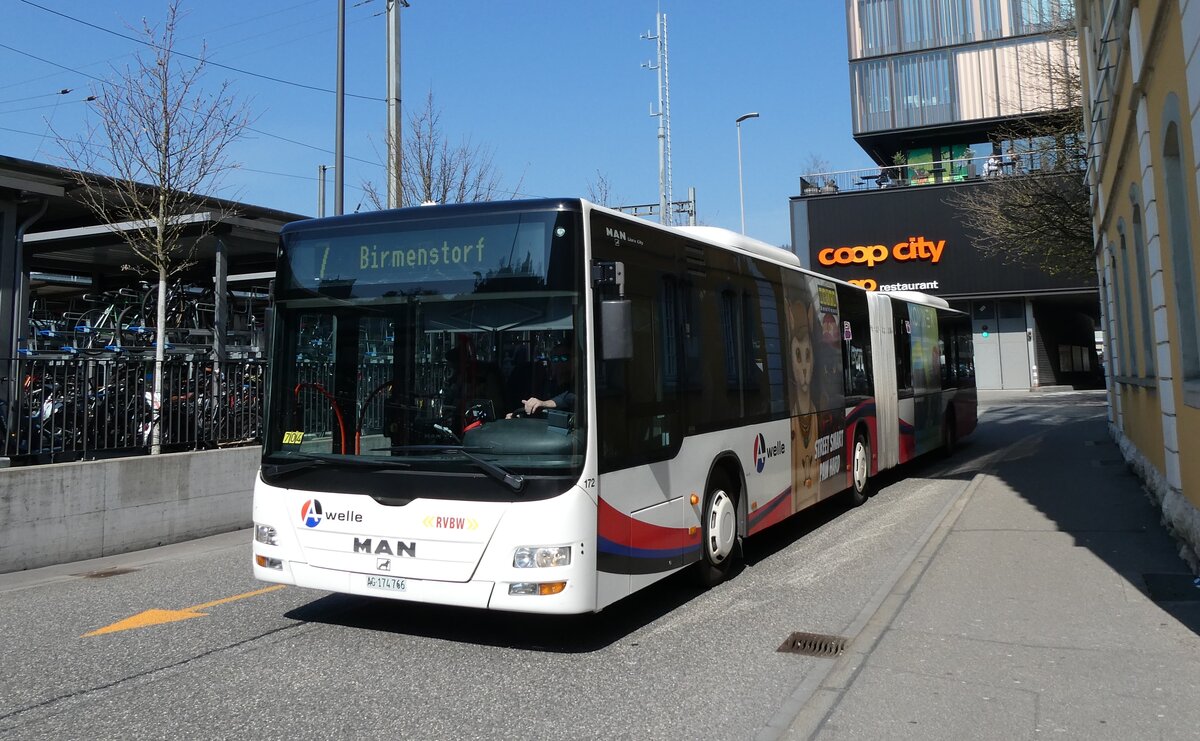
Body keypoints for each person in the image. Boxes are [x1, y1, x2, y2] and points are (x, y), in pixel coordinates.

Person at [508, 341, 575, 417]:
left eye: (564, 358)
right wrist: (518, 416)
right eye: (555, 359)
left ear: (574, 361)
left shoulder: (578, 385)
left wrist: (543, 403)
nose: (559, 363)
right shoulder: (546, 386)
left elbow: (568, 399)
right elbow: (535, 410)